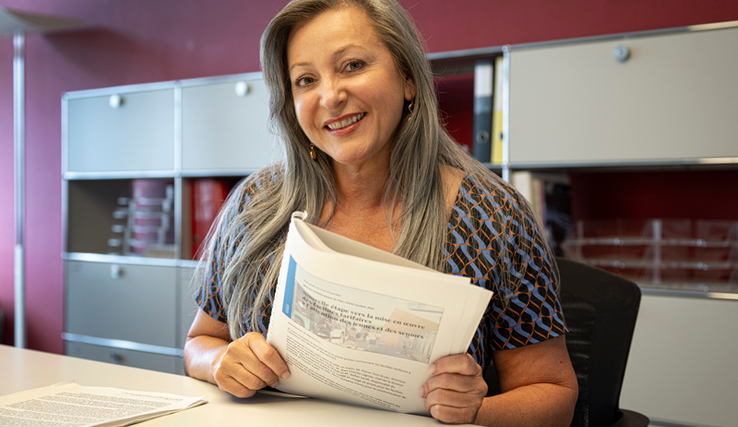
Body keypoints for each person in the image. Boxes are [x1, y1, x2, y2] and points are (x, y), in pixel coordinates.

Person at [183, 0, 578, 425]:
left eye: (352, 65)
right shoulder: (254, 204)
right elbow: (200, 341)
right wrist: (220, 361)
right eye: (305, 80)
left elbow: (556, 397)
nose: (330, 96)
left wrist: (476, 410)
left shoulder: (492, 215)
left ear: (408, 78)